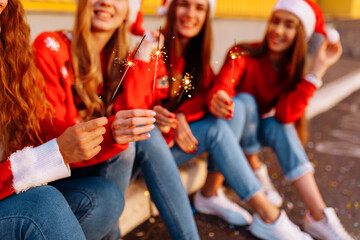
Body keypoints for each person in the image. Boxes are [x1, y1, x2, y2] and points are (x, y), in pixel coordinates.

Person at [116, 0, 316, 239]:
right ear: (170, 9)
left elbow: (202, 98)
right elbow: (130, 108)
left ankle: (265, 212)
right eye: (184, 4)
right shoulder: (150, 47)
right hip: (140, 154)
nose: (191, 14)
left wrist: (182, 116)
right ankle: (268, 215)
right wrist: (161, 115)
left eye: (199, 8)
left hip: (172, 146)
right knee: (222, 123)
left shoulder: (198, 58)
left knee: (222, 124)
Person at [197, 0, 354, 239]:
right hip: (226, 131)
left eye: (289, 25)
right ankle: (249, 171)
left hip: (252, 133)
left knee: (279, 124)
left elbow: (285, 115)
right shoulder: (243, 52)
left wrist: (317, 71)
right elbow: (225, 82)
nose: (278, 30)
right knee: (245, 103)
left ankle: (319, 216)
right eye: (275, 21)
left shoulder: (291, 70)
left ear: (301, 34)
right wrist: (220, 95)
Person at [0, 0, 127, 239]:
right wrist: (50, 155)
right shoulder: (51, 46)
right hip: (21, 186)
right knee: (43, 204)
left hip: (14, 183)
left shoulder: (10, 53)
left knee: (106, 196)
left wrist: (110, 133)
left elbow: (38, 129)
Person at [31, 0, 158, 239]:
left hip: (90, 172)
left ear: (128, 13)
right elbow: (48, 135)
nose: (106, 2)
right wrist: (111, 132)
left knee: (140, 139)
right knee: (126, 150)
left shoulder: (116, 61)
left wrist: (142, 57)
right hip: (47, 173)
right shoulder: (49, 46)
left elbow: (131, 117)